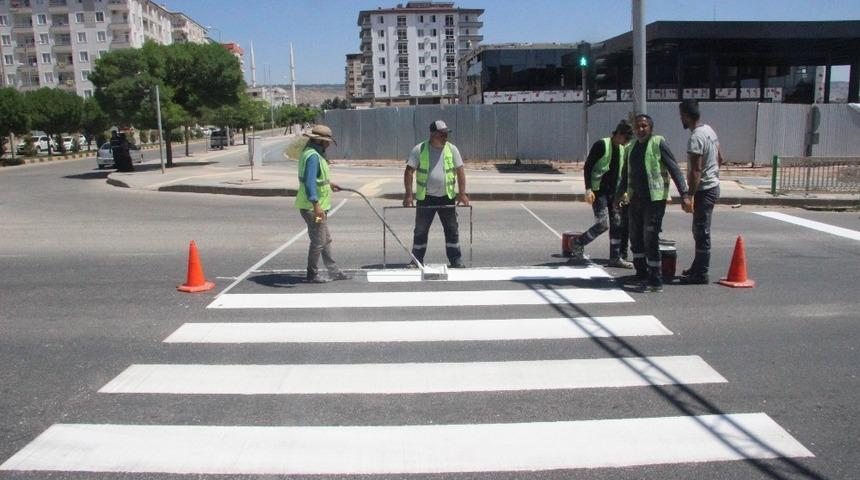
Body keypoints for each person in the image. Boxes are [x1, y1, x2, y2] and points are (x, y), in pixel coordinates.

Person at [616, 114, 692, 293]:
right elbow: (625, 174)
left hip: (654, 200)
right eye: (637, 127)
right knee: (635, 237)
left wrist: (685, 194)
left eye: (644, 126)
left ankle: (655, 280)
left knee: (650, 238)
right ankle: (641, 273)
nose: (640, 129)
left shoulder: (658, 143)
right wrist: (618, 195)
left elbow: (674, 169)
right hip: (635, 199)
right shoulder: (631, 147)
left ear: (650, 128)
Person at [403, 120, 469, 268]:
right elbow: (409, 171)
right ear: (433, 134)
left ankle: (456, 260)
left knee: (452, 230)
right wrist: (408, 195)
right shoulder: (419, 149)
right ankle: (416, 261)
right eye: (442, 134)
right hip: (426, 198)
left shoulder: (452, 149)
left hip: (447, 197)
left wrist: (462, 194)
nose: (445, 137)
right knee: (420, 231)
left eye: (446, 134)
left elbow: (460, 171)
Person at [570, 120, 634, 268]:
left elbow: (623, 172)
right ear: (618, 134)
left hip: (615, 192)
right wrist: (588, 188)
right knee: (602, 224)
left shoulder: (623, 149)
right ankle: (578, 242)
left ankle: (615, 257)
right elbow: (588, 167)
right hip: (599, 192)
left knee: (617, 224)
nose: (625, 143)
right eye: (625, 139)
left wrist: (624, 192)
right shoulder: (601, 145)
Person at [295, 124, 351, 284]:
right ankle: (312, 274)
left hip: (316, 206)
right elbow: (310, 182)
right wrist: (316, 205)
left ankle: (333, 271)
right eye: (327, 141)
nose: (328, 144)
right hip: (312, 208)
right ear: (320, 141)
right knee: (319, 241)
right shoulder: (313, 156)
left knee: (325, 238)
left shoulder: (312, 153)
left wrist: (330, 184)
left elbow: (317, 179)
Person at [679, 100, 722, 284]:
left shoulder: (696, 137)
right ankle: (697, 267)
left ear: (687, 116)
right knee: (699, 230)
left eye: (681, 115)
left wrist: (690, 195)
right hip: (712, 186)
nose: (681, 118)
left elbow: (696, 169)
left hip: (704, 189)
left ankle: (701, 273)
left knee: (701, 230)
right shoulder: (709, 130)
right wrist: (713, 175)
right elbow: (720, 157)